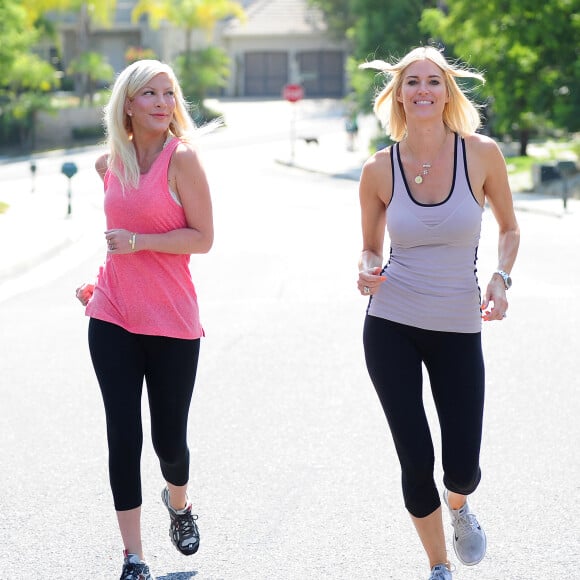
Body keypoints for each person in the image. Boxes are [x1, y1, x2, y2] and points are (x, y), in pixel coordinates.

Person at [356, 46, 520, 580]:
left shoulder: (482, 154)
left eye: (433, 81)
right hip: (390, 323)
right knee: (413, 453)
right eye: (412, 82)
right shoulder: (379, 169)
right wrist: (366, 269)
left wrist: (501, 276)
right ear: (398, 95)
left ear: (447, 92)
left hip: (457, 323)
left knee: (463, 464)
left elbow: (510, 228)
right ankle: (437, 566)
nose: (422, 89)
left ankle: (459, 504)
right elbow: (370, 248)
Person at [75, 59, 215, 580]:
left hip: (174, 320)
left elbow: (203, 238)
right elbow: (118, 232)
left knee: (168, 442)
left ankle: (178, 503)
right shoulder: (109, 163)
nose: (162, 103)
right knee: (122, 433)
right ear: (128, 104)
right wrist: (100, 278)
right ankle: (133, 557)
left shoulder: (183, 161)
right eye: (150, 94)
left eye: (169, 93)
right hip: (112, 313)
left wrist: (140, 245)